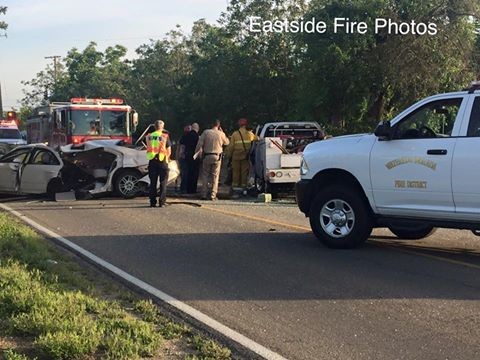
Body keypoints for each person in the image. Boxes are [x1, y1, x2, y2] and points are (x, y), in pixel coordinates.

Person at [195, 120, 229, 200]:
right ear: (218, 125)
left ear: (211, 125)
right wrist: (222, 132)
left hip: (207, 156)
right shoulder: (221, 134)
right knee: (215, 176)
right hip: (217, 157)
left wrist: (196, 153)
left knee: (205, 175)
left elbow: (200, 144)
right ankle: (213, 195)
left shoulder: (206, 132)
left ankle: (204, 194)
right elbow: (227, 142)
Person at [226, 118, 258, 190]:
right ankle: (243, 186)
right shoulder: (249, 134)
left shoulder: (235, 134)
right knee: (244, 172)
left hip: (236, 156)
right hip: (245, 156)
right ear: (246, 125)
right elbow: (258, 139)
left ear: (239, 125)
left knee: (235, 172)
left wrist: (229, 155)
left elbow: (231, 146)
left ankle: (235, 187)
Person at [146, 120, 172, 207]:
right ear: (162, 127)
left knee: (153, 182)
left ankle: (152, 202)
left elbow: (148, 147)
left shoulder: (149, 136)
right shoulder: (164, 136)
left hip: (152, 160)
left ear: (155, 127)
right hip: (162, 160)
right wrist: (168, 159)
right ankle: (162, 202)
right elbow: (168, 150)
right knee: (163, 182)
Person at [182, 122, 200, 193]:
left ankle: (186, 188)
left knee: (187, 172)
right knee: (194, 173)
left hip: (187, 155)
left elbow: (182, 146)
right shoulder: (198, 136)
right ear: (197, 129)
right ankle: (193, 189)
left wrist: (181, 155)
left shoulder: (186, 135)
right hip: (195, 156)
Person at [177, 125, 191, 193]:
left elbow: (180, 147)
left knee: (183, 173)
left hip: (183, 157)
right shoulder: (189, 137)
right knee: (185, 173)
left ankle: (182, 188)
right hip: (185, 157)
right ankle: (184, 188)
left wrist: (178, 156)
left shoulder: (183, 137)